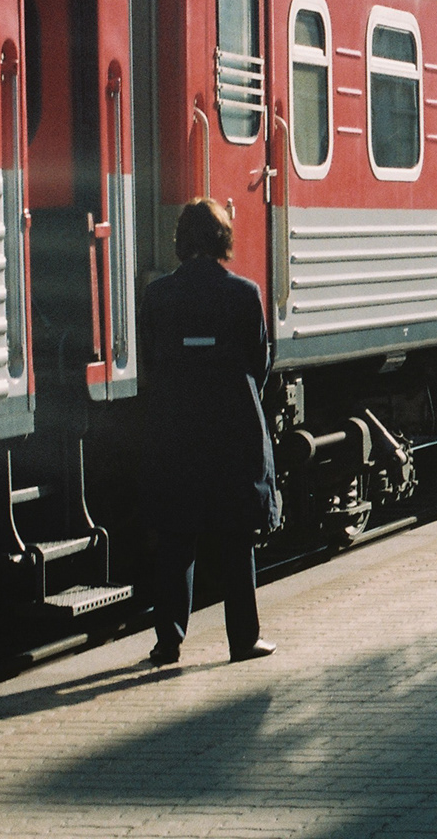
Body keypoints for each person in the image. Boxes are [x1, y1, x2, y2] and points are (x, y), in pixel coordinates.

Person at [140, 198, 279, 667]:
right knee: (236, 539)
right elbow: (259, 365)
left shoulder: (158, 296)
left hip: (176, 434)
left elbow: (150, 365)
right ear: (224, 240)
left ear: (182, 242)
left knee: (177, 539)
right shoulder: (246, 294)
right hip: (232, 434)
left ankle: (168, 643)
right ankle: (243, 640)